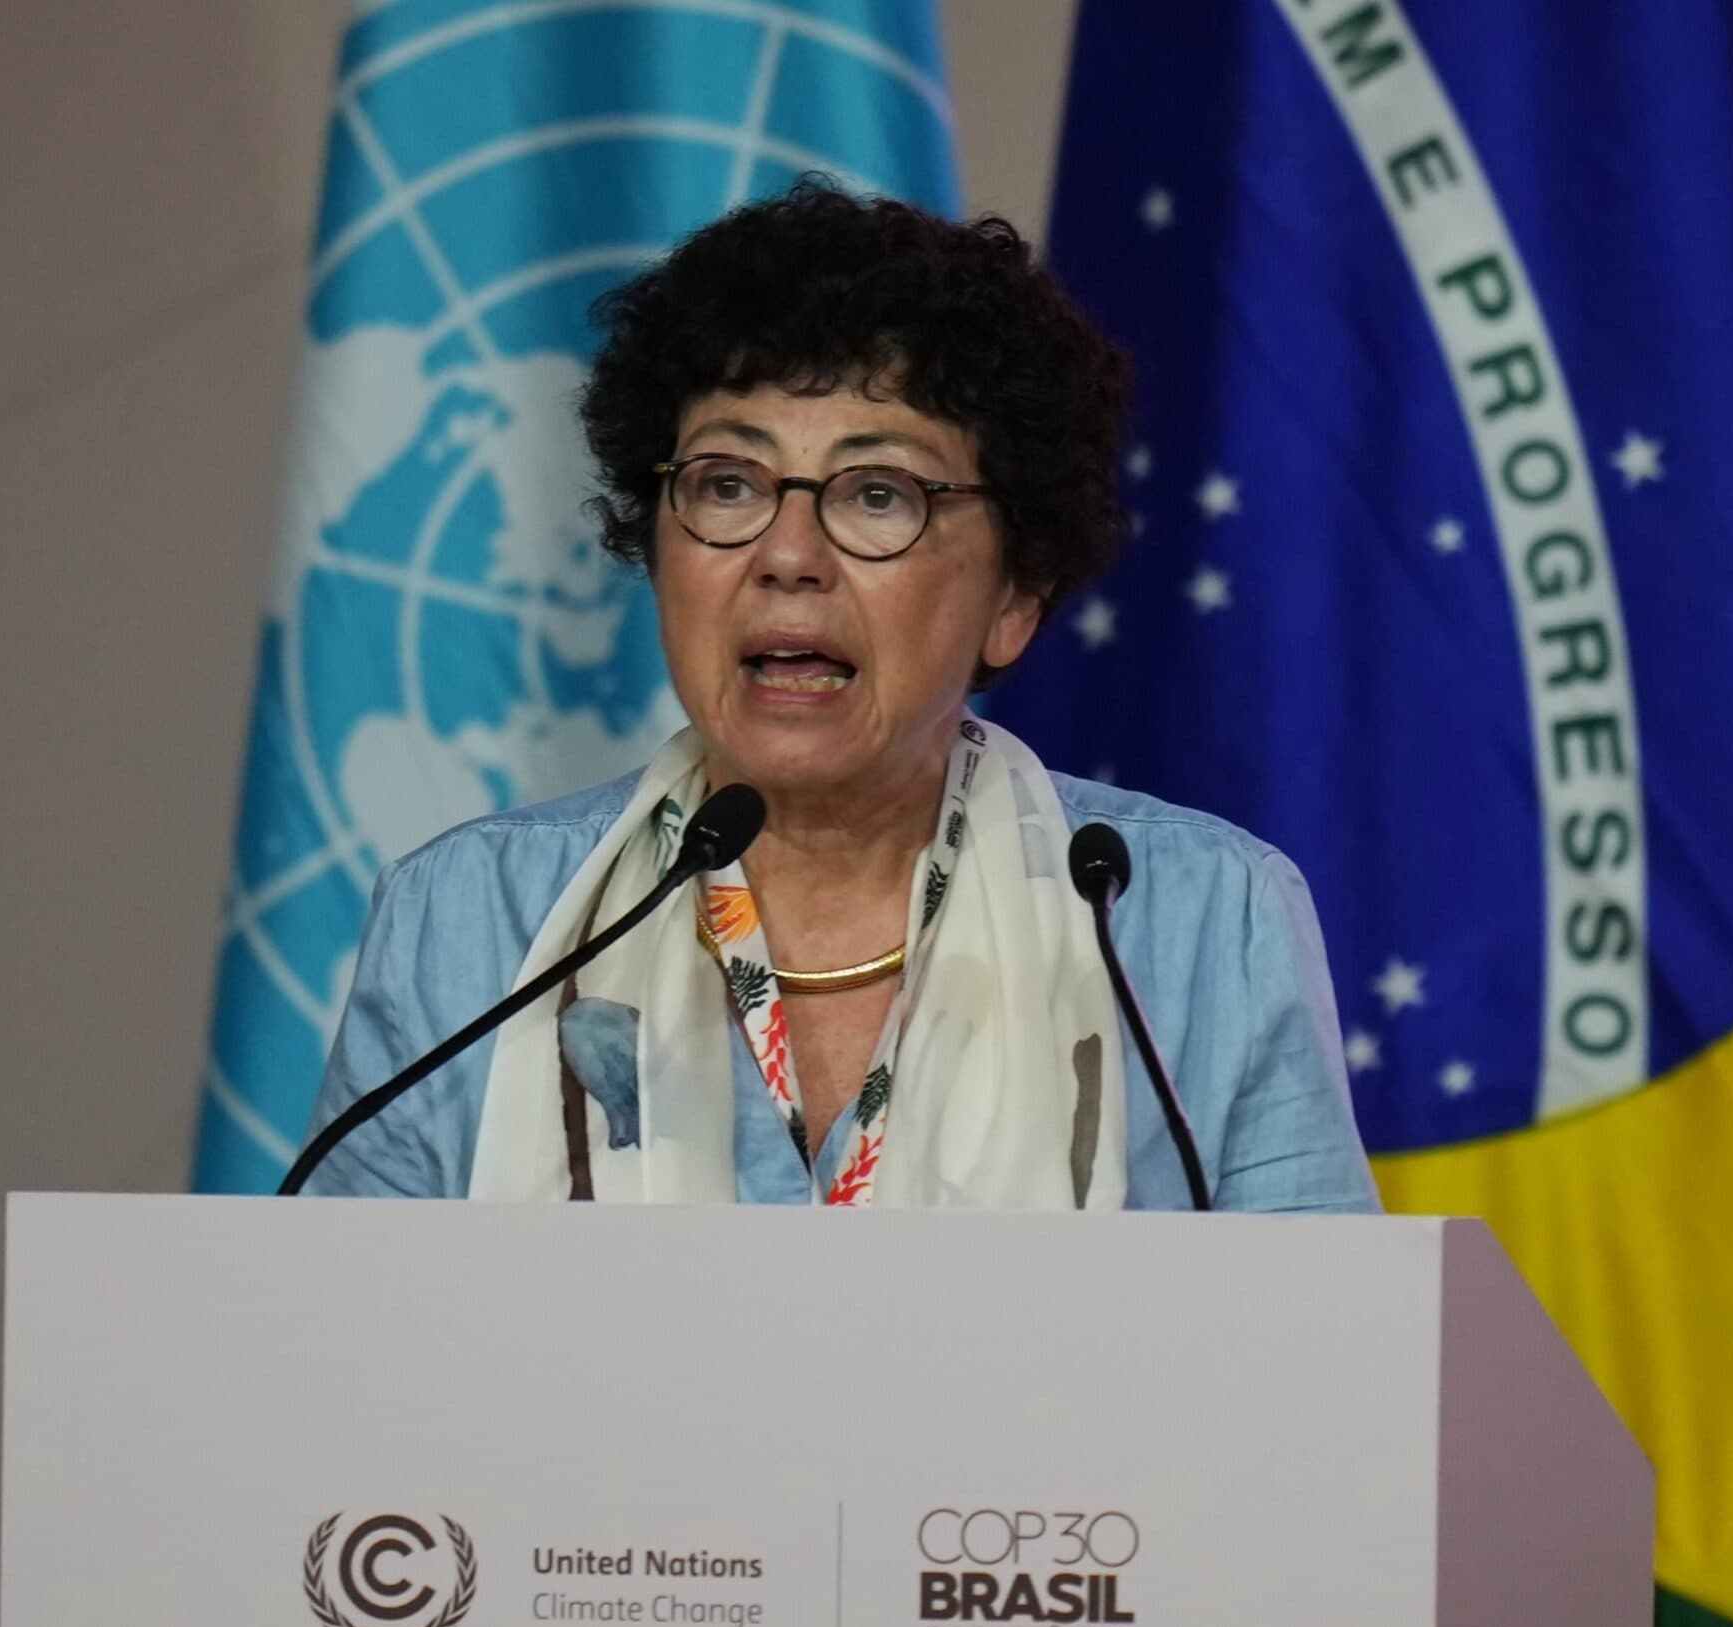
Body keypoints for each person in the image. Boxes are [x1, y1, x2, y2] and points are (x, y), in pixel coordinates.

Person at [304, 182, 1377, 1212]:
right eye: (728, 485)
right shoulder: (470, 925)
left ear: (1013, 596)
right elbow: (335, 1357)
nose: (787, 555)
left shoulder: (1188, 919)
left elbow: (1328, 1367)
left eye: (878, 494)